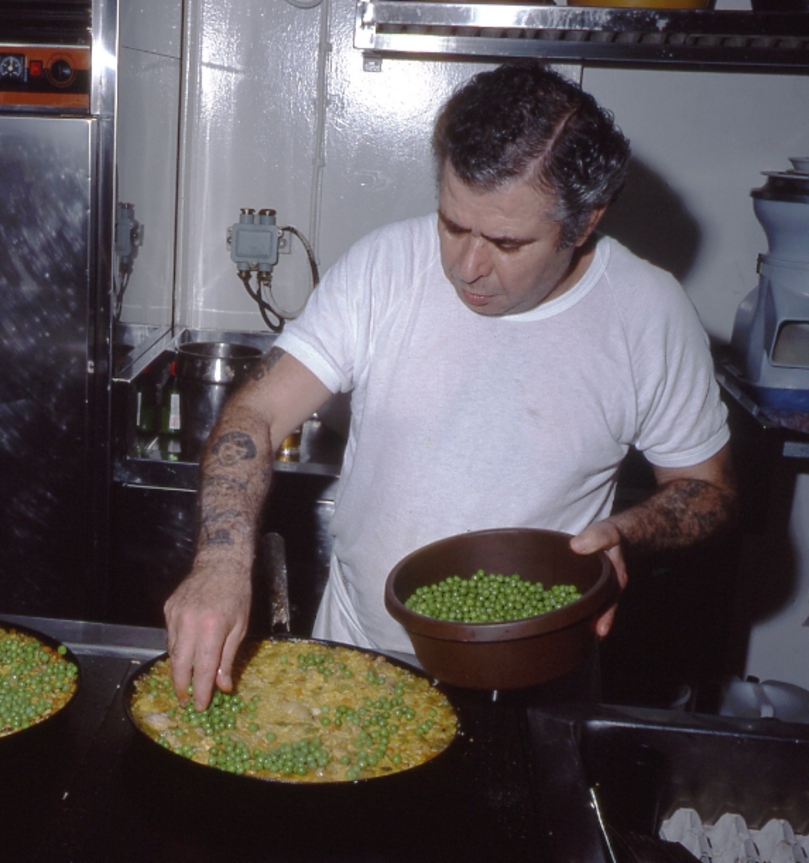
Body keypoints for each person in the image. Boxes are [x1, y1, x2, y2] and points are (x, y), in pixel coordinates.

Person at [164, 61, 738, 710]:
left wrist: (628, 531)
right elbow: (259, 414)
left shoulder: (647, 312)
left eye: (507, 242)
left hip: (536, 682)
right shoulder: (384, 267)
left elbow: (708, 488)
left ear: (583, 223)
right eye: (453, 224)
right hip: (358, 665)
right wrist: (220, 564)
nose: (467, 267)